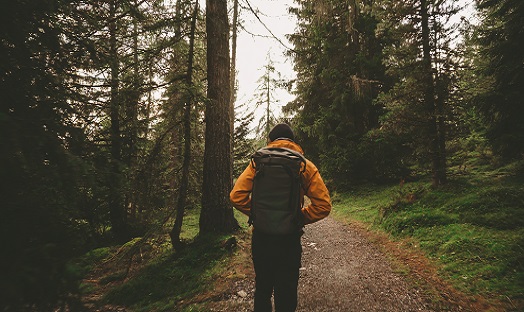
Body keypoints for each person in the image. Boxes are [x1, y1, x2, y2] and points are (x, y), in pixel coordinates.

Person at [230, 123, 332, 312]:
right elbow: (323, 206)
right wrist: (298, 217)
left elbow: (236, 196)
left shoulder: (258, 162)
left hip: (262, 237)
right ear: (293, 141)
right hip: (289, 239)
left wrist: (257, 215)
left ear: (271, 141)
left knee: (263, 290)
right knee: (286, 292)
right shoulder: (304, 165)